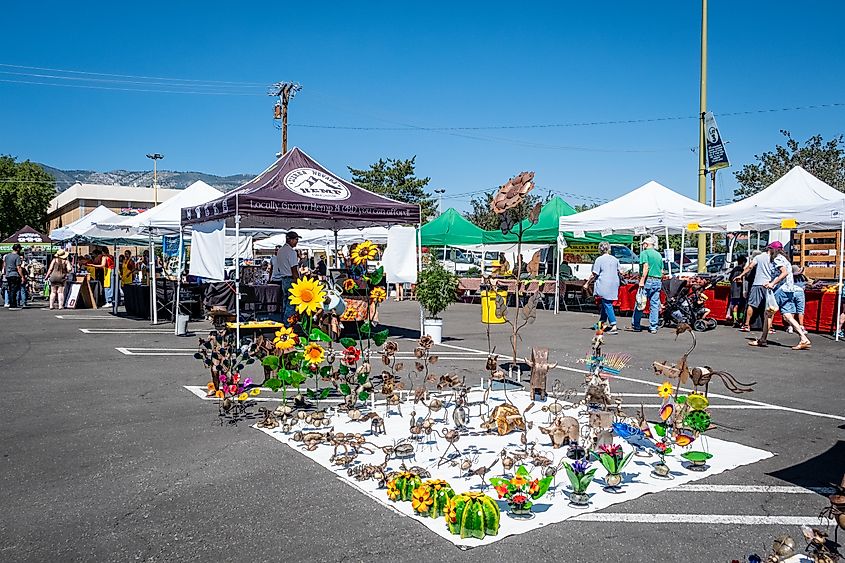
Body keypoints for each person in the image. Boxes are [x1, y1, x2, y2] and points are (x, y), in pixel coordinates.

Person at [767, 244, 811, 350]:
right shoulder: (785, 259)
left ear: (773, 250)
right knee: (787, 316)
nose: (768, 251)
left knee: (768, 312)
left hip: (782, 289)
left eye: (769, 249)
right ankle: (803, 338)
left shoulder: (777, 259)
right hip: (790, 290)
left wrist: (772, 283)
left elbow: (784, 273)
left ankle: (763, 339)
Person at [631, 235, 663, 333]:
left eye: (643, 244)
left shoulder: (644, 253)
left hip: (647, 280)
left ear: (646, 244)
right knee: (654, 304)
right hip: (657, 280)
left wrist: (641, 280)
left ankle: (636, 325)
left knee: (640, 302)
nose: (643, 246)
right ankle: (653, 326)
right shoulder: (658, 255)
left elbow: (646, 267)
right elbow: (661, 270)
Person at [735, 249, 771, 334]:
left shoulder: (757, 259)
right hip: (768, 284)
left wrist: (741, 275)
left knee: (752, 304)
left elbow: (749, 269)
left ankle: (747, 325)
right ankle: (769, 327)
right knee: (767, 306)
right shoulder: (771, 258)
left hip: (757, 284)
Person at [589, 241, 621, 334]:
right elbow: (621, 271)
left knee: (607, 303)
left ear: (600, 249)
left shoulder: (599, 259)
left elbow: (594, 273)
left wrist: (587, 283)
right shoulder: (615, 259)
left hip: (604, 283)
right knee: (605, 303)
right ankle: (601, 323)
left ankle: (613, 325)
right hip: (614, 283)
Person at [275, 232, 301, 323]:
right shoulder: (292, 252)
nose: (297, 242)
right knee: (291, 304)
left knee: (285, 302)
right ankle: (288, 323)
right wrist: (299, 282)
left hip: (283, 279)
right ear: (291, 240)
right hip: (291, 279)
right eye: (296, 240)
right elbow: (294, 269)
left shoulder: (280, 251)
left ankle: (283, 321)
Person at [726, 256, 748, 327]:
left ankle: (735, 319)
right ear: (744, 262)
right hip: (740, 290)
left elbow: (730, 279)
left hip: (733, 290)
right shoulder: (741, 270)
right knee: (742, 306)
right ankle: (740, 320)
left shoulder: (734, 270)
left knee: (735, 305)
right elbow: (741, 281)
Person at [3, 244, 25, 310]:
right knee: (14, 289)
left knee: (10, 289)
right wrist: (22, 276)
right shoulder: (17, 256)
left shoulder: (7, 256)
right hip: (14, 274)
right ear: (18, 249)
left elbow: (4, 265)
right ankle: (13, 304)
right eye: (20, 248)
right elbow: (18, 267)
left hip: (8, 274)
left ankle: (11, 303)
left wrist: (5, 272)